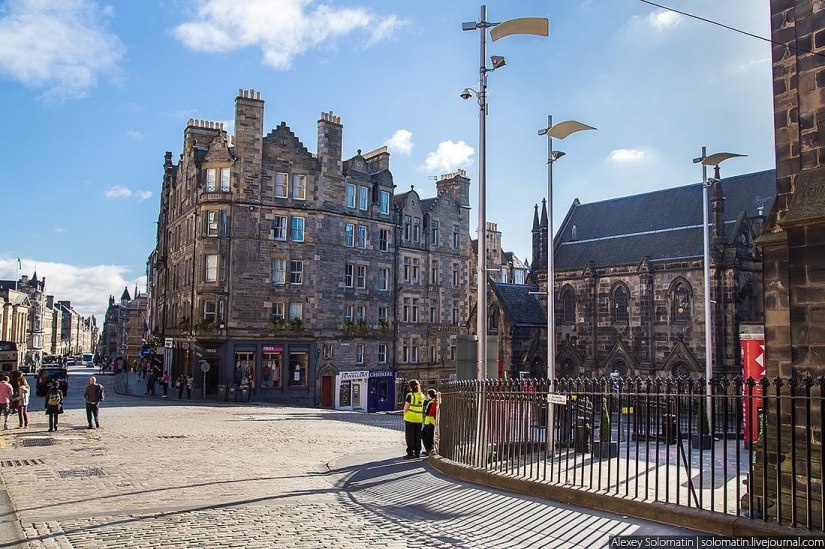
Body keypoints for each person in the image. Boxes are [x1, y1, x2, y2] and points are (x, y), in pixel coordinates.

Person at [402, 379, 424, 459]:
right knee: (417, 436)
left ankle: (410, 453)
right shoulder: (421, 395)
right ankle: (417, 452)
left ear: (410, 387)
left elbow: (406, 407)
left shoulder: (410, 395)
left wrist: (404, 415)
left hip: (410, 418)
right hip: (418, 419)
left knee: (410, 436)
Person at [422, 389, 438, 456]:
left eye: (427, 394)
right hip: (431, 422)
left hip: (429, 422)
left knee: (425, 435)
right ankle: (429, 449)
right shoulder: (434, 401)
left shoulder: (431, 402)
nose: (426, 395)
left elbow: (428, 413)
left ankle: (429, 449)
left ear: (429, 394)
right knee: (428, 436)